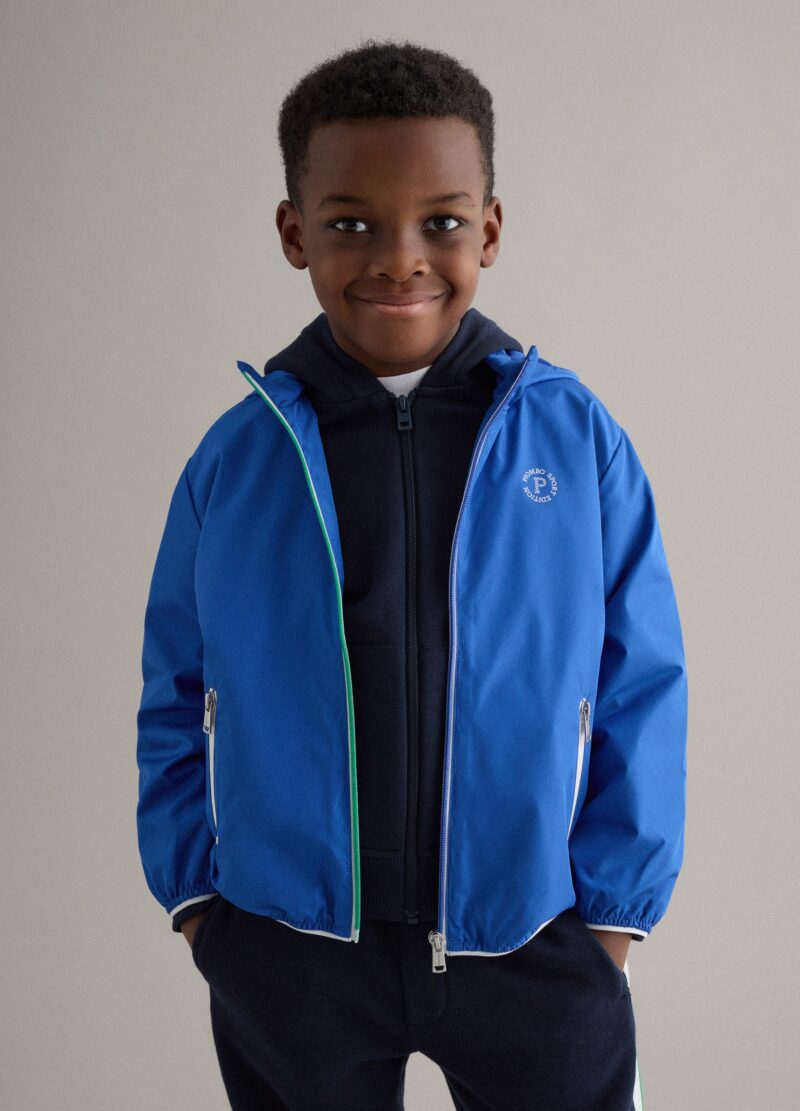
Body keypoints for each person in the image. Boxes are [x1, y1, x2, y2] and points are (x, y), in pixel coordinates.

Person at [136, 38, 686, 1111]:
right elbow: (175, 683)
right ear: (294, 232)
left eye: (439, 221)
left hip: (530, 936)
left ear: (490, 229)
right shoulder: (241, 456)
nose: (399, 259)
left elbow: (641, 680)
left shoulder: (575, 441)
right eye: (351, 223)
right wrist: (200, 900)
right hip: (291, 952)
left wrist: (611, 917)